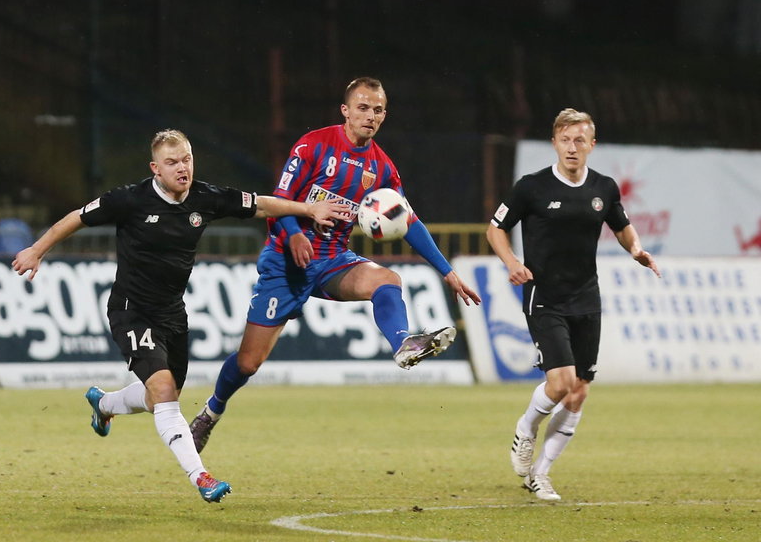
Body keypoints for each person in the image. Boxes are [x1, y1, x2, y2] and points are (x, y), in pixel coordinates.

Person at [11, 129, 346, 503]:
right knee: (165, 392)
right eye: (172, 163)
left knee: (158, 399)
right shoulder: (129, 199)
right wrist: (37, 250)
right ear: (155, 168)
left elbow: (263, 205)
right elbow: (77, 217)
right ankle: (201, 476)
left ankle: (103, 404)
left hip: (173, 314)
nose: (182, 168)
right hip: (132, 311)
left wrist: (308, 209)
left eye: (186, 159)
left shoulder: (205, 197)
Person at [189, 76, 481, 454]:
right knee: (248, 363)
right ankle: (210, 413)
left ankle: (403, 343)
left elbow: (408, 220)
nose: (370, 116)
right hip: (284, 262)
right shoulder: (314, 145)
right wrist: (294, 233)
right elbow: (280, 197)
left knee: (387, 279)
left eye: (378, 110)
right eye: (362, 107)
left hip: (333, 262)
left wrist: (448, 272)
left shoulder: (382, 169)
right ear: (345, 110)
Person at [486, 108, 660, 501]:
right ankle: (526, 430)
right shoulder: (531, 188)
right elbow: (495, 229)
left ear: (591, 145)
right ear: (554, 143)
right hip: (543, 296)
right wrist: (513, 264)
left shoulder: (604, 187)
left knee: (579, 392)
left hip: (586, 297)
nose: (572, 147)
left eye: (580, 140)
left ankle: (541, 475)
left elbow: (620, 224)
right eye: (565, 140)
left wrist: (635, 248)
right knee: (560, 383)